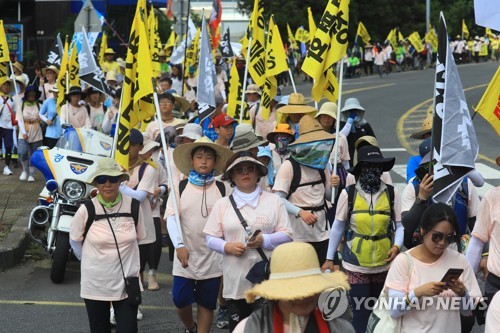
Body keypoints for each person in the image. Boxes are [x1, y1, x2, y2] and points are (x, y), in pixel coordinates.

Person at [204, 151, 293, 331]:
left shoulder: (274, 201)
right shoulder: (222, 204)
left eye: (250, 169)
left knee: (267, 328)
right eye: (239, 170)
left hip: (267, 278)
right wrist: (226, 246)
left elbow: (287, 234)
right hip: (235, 279)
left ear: (258, 173)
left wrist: (264, 240)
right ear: (232, 176)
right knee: (239, 328)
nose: (245, 173)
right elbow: (210, 237)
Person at [323, 145, 403, 333]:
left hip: (384, 263)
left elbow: (400, 226)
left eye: (376, 166)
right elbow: (338, 227)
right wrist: (329, 258)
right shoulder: (348, 193)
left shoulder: (392, 193)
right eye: (367, 166)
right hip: (355, 265)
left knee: (381, 312)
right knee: (360, 312)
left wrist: (397, 246)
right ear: (360, 170)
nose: (372, 171)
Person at [69, 157, 146, 333]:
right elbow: (75, 241)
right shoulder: (86, 209)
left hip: (127, 282)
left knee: (128, 329)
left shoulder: (133, 206)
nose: (108, 184)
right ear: (97, 183)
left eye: (113, 179)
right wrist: (88, 260)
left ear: (120, 181)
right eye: (102, 179)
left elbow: (139, 238)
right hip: (95, 283)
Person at [166, 137, 233, 333]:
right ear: (192, 161)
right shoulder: (180, 187)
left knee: (207, 304)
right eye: (199, 157)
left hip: (213, 257)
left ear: (215, 162)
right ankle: (190, 327)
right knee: (180, 300)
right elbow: (171, 218)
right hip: (185, 255)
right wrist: (179, 245)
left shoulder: (223, 188)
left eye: (209, 158)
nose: (204, 161)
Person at [385, 203, 481, 333]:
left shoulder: (460, 261)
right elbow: (394, 311)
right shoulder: (404, 262)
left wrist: (463, 293)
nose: (442, 243)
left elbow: (467, 311)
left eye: (449, 238)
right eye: (437, 236)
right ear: (423, 230)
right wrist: (417, 293)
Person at [234, 242, 355, 333]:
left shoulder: (341, 329)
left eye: (309, 288)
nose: (303, 297)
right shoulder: (249, 329)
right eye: (294, 291)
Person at [273, 115, 335, 262]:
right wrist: (300, 212)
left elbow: (328, 196)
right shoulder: (288, 166)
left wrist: (334, 186)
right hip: (298, 234)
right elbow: (278, 198)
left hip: (322, 232)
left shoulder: (323, 164)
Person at [118, 129, 158, 321]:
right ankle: (114, 305)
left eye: (130, 145)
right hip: (117, 223)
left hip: (140, 223)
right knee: (117, 266)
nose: (126, 150)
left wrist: (118, 186)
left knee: (137, 268)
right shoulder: (115, 164)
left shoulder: (148, 168)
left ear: (139, 147)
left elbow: (141, 196)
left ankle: (135, 303)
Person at [339, 98, 376, 167]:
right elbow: (340, 138)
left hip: (363, 160)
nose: (353, 113)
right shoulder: (341, 124)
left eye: (356, 110)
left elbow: (373, 141)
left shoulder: (365, 125)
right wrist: (349, 123)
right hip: (346, 161)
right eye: (350, 111)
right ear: (345, 112)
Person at [17, 86, 43, 182]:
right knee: (22, 152)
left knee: (34, 154)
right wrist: (23, 132)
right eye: (30, 93)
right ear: (27, 94)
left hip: (36, 132)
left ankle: (31, 174)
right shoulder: (21, 105)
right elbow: (19, 120)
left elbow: (43, 116)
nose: (32, 95)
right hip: (24, 131)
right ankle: (24, 170)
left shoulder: (39, 105)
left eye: (33, 93)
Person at [0, 79, 17, 176]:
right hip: (0, 126)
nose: (6, 87)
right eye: (4, 85)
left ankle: (6, 167)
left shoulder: (12, 99)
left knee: (8, 147)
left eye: (8, 85)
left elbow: (14, 113)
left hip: (9, 127)